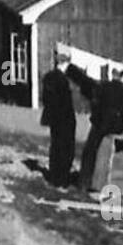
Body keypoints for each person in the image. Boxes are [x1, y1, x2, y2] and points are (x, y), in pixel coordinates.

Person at [76, 68, 123, 192]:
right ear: (122, 77)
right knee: (107, 153)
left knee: (90, 151)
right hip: (115, 126)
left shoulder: (103, 87)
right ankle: (103, 182)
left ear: (112, 75)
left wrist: (96, 116)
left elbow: (95, 102)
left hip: (100, 123)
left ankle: (84, 182)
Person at [39, 53, 78, 187]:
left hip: (53, 118)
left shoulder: (48, 77)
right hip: (64, 119)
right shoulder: (63, 80)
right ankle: (62, 178)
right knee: (66, 148)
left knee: (55, 146)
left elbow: (44, 99)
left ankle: (54, 176)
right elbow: (65, 103)